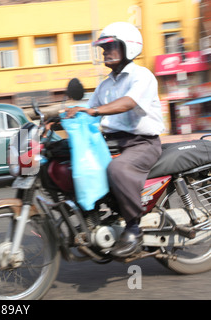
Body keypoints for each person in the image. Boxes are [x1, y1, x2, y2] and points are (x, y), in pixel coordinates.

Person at [65, 22, 165, 257]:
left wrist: (96, 111)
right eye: (103, 48)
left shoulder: (142, 76)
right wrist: (56, 119)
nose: (105, 52)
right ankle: (94, 219)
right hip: (111, 142)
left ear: (128, 47)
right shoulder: (105, 85)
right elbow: (85, 110)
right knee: (74, 164)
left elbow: (128, 103)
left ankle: (133, 228)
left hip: (142, 143)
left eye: (110, 46)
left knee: (118, 169)